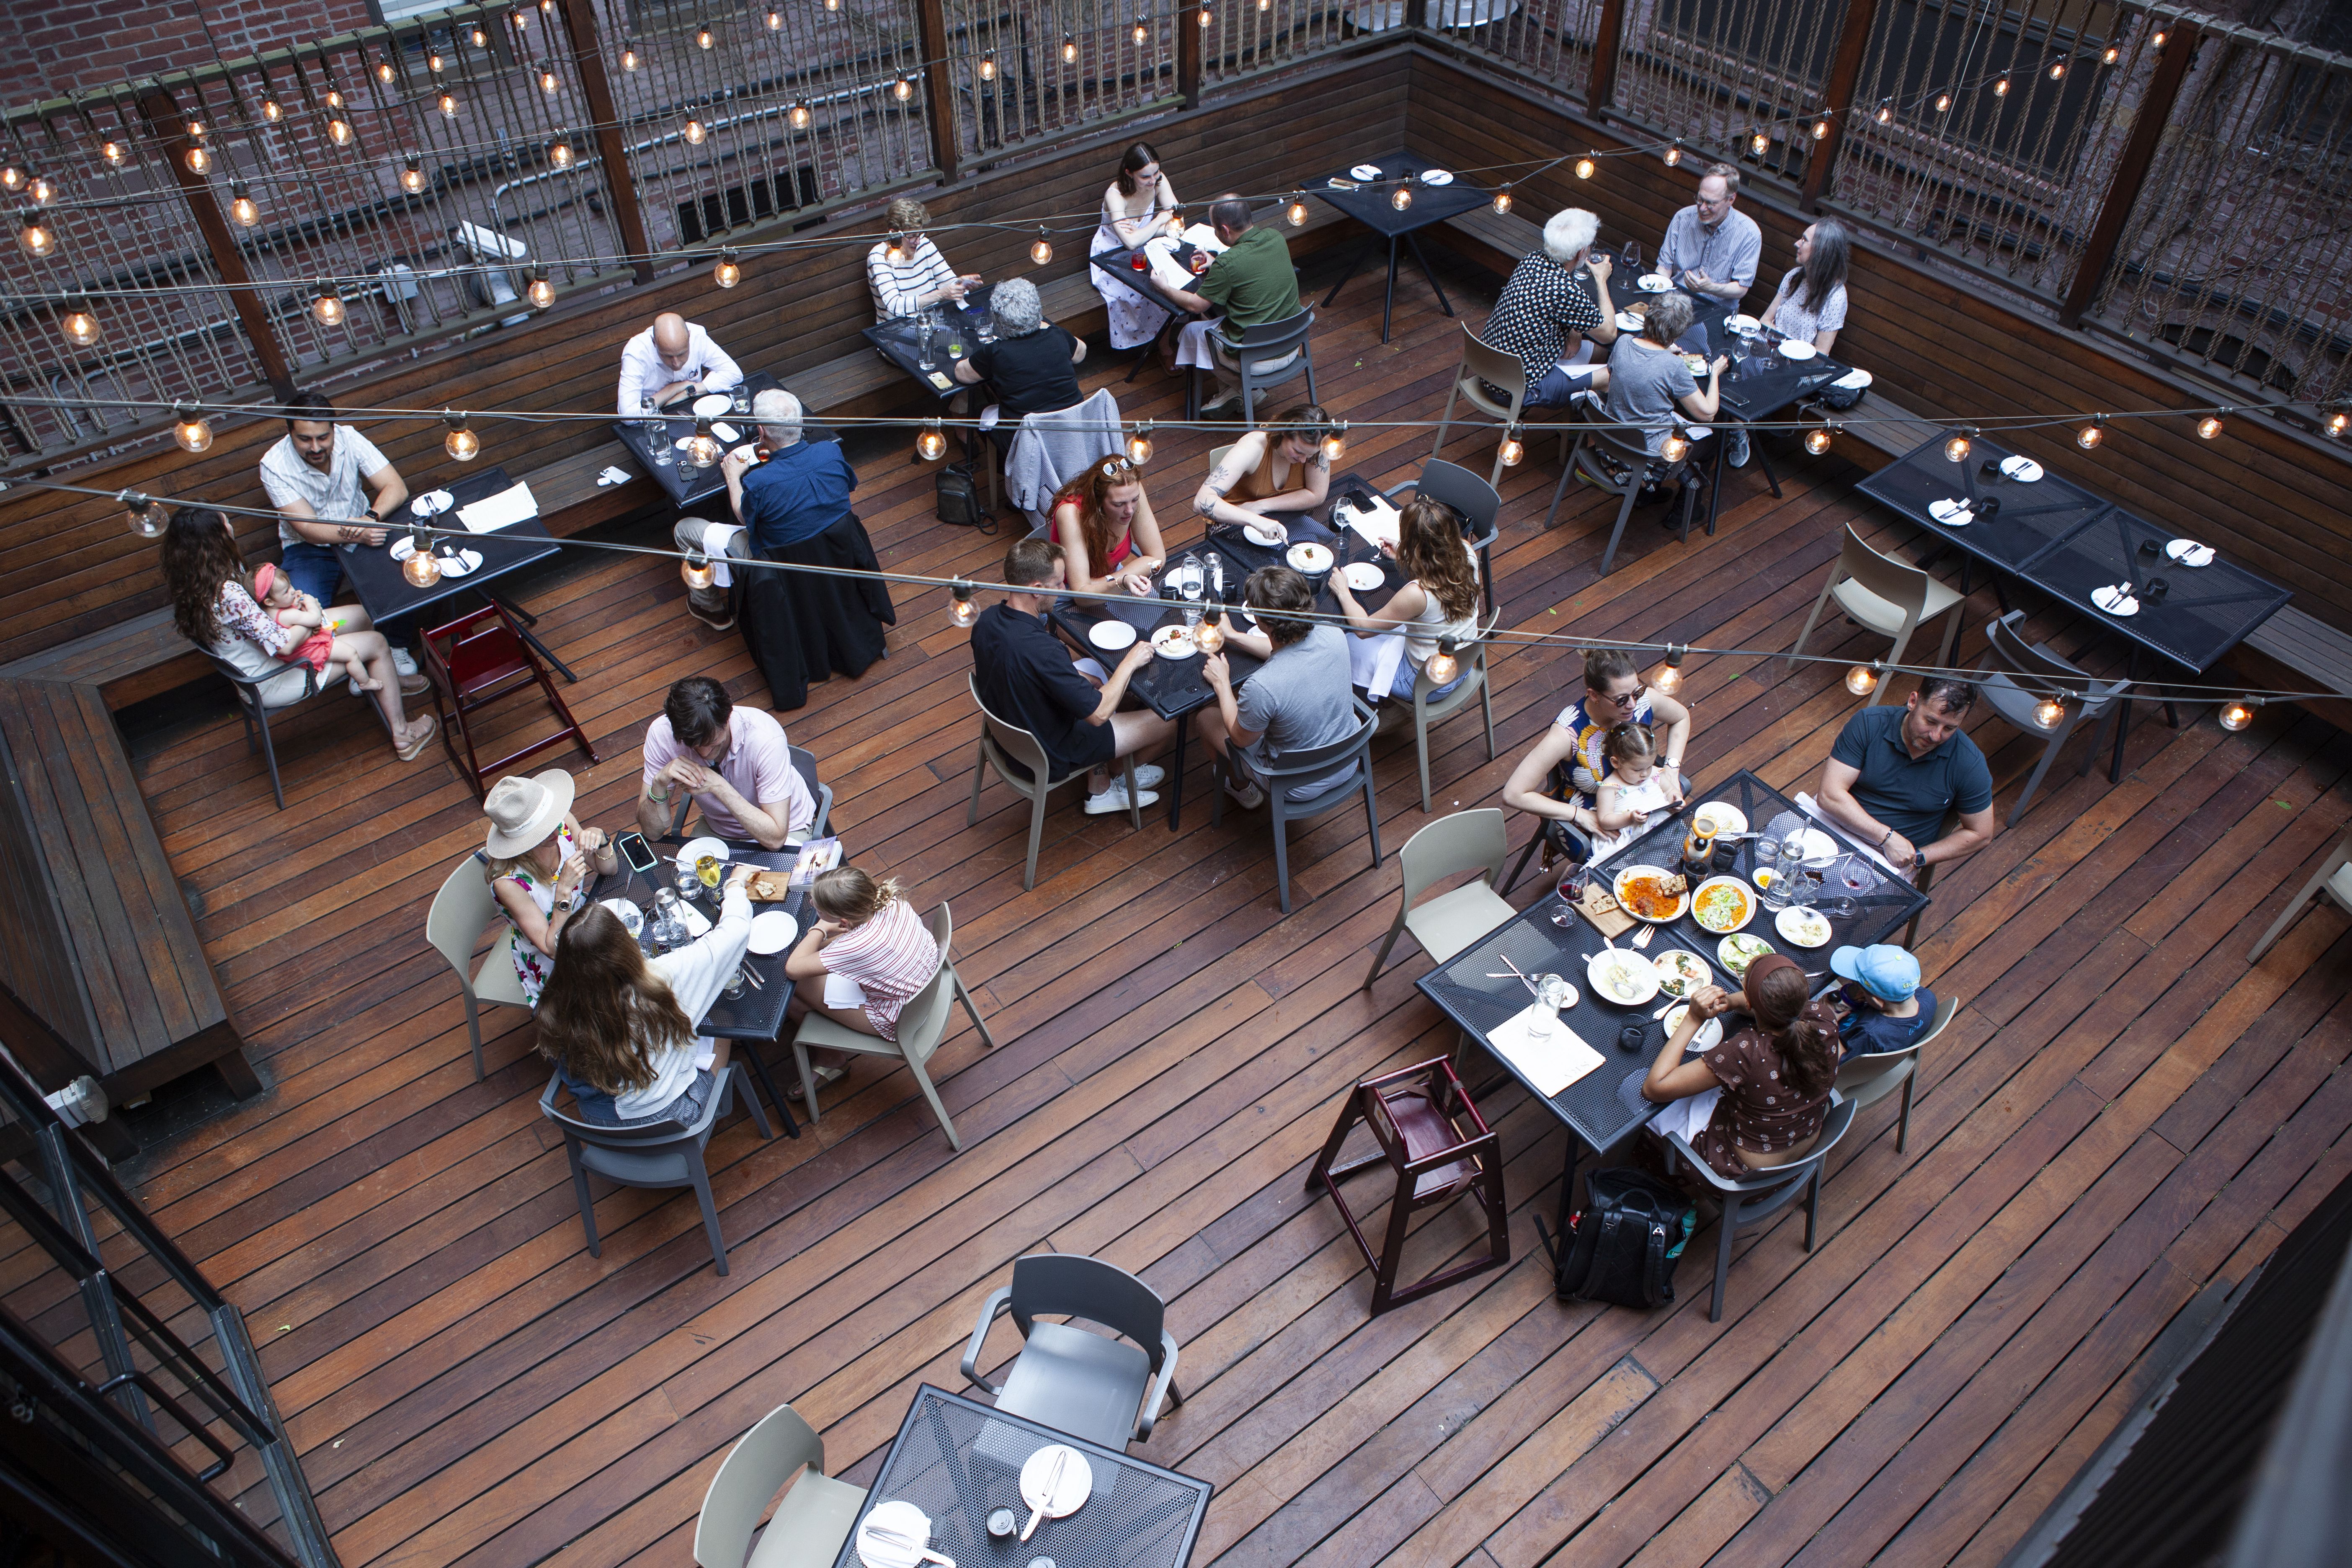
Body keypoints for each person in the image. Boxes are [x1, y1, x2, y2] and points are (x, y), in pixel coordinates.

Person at [160, 506, 436, 761]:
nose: (231, 527)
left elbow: (258, 620)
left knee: (365, 616)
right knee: (377, 643)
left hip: (272, 643)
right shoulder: (227, 591)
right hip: (277, 674)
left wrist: (294, 611)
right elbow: (286, 647)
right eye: (226, 524)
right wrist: (311, 617)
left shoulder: (196, 579)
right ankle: (403, 735)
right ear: (215, 540)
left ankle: (383, 680)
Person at [535, 864, 758, 1126]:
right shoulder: (663, 978)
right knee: (721, 1019)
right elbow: (735, 932)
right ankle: (712, 1104)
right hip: (668, 1120)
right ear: (624, 944)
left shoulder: (552, 999)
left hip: (595, 1120)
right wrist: (734, 885)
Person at [970, 538, 1170, 815]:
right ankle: (1118, 774)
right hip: (1050, 753)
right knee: (1168, 716)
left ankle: (1099, 786)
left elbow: (1029, 670)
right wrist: (1130, 661)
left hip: (1012, 733)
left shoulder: (987, 620)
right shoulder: (1043, 650)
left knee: (1095, 671)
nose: (1064, 589)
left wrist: (1080, 678)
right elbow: (1099, 714)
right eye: (1059, 583)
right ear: (1037, 590)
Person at [1640, 953, 1840, 1184]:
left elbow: (1654, 1088)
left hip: (1738, 1174)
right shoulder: (1822, 1016)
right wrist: (1733, 1002)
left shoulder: (1748, 1051)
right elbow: (1777, 1009)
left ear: (1751, 1001)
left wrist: (1693, 1018)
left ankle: (1661, 1173)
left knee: (1635, 1093)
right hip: (1799, 1150)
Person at [1197, 565, 1358, 811]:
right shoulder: (1333, 633)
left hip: (1296, 785)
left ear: (1261, 622)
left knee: (1206, 717)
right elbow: (1284, 651)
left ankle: (1242, 788)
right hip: (1346, 761)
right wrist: (1235, 636)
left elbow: (1239, 739)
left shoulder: (1262, 686)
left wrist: (1222, 685)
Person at [1503, 647, 1693, 843]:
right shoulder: (1567, 734)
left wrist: (1671, 769)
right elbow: (1514, 794)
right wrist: (1579, 815)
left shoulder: (1642, 701)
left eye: (1637, 692)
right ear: (1594, 695)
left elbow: (1681, 717)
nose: (1632, 705)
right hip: (1592, 814)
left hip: (1643, 797)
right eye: (1621, 700)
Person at [1815, 676, 1996, 878]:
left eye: (1949, 728)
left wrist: (1918, 857)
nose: (1936, 736)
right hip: (1832, 824)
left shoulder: (1969, 763)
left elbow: (1981, 834)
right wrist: (1887, 837)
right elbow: (1830, 795)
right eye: (1930, 721)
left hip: (1887, 861)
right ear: (1913, 702)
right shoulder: (1870, 723)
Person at [256, 390, 410, 610]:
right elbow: (309, 528)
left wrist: (370, 518)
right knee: (300, 613)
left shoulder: (349, 437)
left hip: (366, 526)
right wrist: (360, 532)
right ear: (289, 433)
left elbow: (396, 487)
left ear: (334, 428)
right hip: (309, 549)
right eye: (305, 439)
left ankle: (396, 644)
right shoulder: (274, 465)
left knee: (408, 578)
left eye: (323, 437)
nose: (316, 448)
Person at [480, 768, 617, 1006]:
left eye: (552, 821)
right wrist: (563, 892)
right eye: (541, 831)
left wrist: (602, 840)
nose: (556, 831)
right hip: (553, 954)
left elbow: (610, 870)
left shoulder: (559, 822)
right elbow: (551, 949)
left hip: (584, 920)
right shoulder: (508, 883)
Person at [635, 675, 818, 849]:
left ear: (728, 718)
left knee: (767, 883)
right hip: (718, 829)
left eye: (713, 744)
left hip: (786, 827)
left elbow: (776, 838)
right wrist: (659, 785)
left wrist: (719, 787)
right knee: (689, 880)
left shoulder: (765, 738)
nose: (705, 754)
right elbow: (652, 834)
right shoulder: (662, 734)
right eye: (694, 745)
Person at [1327, 494, 1480, 702]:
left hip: (1423, 683)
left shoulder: (1417, 594)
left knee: (1340, 643)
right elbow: (1439, 572)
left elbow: (1363, 629)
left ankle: (1377, 708)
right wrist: (1406, 555)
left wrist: (1343, 591)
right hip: (1463, 663)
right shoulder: (1466, 552)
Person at [1163, 196, 1302, 413]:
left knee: (1193, 331)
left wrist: (1163, 287)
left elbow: (1195, 306)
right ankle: (1234, 392)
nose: (1215, 233)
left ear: (1225, 230)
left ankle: (1245, 389)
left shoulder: (1229, 264)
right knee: (1216, 320)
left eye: (1215, 229)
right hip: (1291, 345)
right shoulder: (1275, 238)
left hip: (1256, 360)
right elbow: (1251, 264)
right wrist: (1216, 262)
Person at [1479, 207, 1619, 406]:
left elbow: (1552, 308)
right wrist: (1601, 279)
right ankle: (1581, 427)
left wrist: (1575, 331)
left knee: (1600, 352)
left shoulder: (1532, 260)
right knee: (1613, 374)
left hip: (1488, 367)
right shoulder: (1565, 290)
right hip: (1515, 389)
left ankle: (1572, 418)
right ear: (1581, 253)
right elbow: (1609, 334)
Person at [1605, 291, 1745, 471]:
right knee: (1712, 442)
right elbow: (1708, 413)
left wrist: (1663, 354)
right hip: (1649, 451)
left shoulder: (1624, 342)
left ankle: (1647, 493)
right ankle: (1678, 499)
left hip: (1614, 436)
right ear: (1679, 332)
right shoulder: (1674, 366)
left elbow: (1621, 375)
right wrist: (1715, 373)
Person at [954, 276, 1086, 459]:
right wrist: (1042, 325)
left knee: (979, 410)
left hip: (1027, 446)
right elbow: (1081, 353)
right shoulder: (1057, 336)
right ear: (1038, 311)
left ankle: (1004, 466)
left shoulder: (997, 352)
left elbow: (961, 374)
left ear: (1000, 322)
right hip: (1074, 432)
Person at [1089, 142, 1182, 353]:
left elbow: (1177, 224)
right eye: (1145, 177)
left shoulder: (1159, 180)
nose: (1153, 181)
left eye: (1156, 173)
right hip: (1111, 256)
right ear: (1129, 173)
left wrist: (1144, 232)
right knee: (1144, 290)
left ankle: (1164, 342)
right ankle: (1159, 347)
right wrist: (1159, 221)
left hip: (1146, 247)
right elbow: (1129, 243)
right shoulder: (1115, 196)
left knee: (1171, 278)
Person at [1192, 404, 1332, 539]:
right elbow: (1201, 501)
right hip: (1236, 521)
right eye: (1298, 451)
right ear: (1284, 431)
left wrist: (1262, 506)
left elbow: (1317, 495)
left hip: (1281, 518)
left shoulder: (1317, 447)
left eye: (1309, 456)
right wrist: (1254, 519)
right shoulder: (1254, 446)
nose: (1303, 461)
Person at [1052, 456, 1169, 598]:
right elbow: (1082, 594)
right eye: (1118, 504)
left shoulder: (1131, 491)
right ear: (1098, 501)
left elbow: (1157, 559)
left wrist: (1114, 581)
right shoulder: (1071, 513)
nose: (1130, 510)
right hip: (1066, 592)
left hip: (1115, 580)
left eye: (1135, 500)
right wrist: (1121, 581)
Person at [252, 560, 374, 693]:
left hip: (303, 647)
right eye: (286, 591)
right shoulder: (286, 614)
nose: (293, 591)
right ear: (269, 602)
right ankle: (364, 683)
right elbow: (315, 620)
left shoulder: (270, 612)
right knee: (351, 654)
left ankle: (359, 674)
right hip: (311, 651)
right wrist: (311, 603)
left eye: (290, 586)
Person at [1656, 163, 1761, 306]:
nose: (1703, 208)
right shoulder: (1683, 218)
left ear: (1731, 200)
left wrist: (1711, 288)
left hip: (1715, 310)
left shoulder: (1749, 234)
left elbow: (1741, 288)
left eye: (1711, 204)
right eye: (1700, 199)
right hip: (1674, 303)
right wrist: (1656, 298)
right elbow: (1664, 268)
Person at [867, 196, 980, 321]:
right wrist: (941, 295)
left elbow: (948, 284)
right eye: (912, 236)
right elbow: (895, 306)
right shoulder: (878, 257)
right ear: (894, 235)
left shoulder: (925, 245)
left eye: (920, 234)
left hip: (934, 322)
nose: (918, 241)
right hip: (898, 329)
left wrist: (960, 284)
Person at [616, 311, 743, 416]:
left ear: (689, 337)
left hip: (696, 410)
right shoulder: (636, 353)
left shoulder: (697, 337)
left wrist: (688, 391)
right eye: (668, 356)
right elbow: (628, 416)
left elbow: (734, 374)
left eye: (682, 354)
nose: (676, 364)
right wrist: (673, 389)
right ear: (654, 343)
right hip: (655, 420)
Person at [1758, 218, 1851, 353]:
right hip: (1771, 352)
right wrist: (1780, 346)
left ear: (1822, 251)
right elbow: (1765, 320)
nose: (1797, 244)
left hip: (1799, 367)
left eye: (1804, 240)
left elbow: (1821, 352)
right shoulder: (1794, 276)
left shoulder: (1836, 296)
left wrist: (1784, 348)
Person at [1830, 944, 1937, 1059]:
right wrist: (1866, 998)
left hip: (1839, 1052)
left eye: (1858, 987)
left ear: (1878, 1002)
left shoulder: (1871, 1036)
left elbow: (1843, 1062)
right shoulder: (1928, 998)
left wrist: (1828, 1021)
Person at [1588, 723, 1674, 860]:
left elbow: (1670, 790)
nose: (1645, 774)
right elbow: (1605, 820)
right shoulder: (1610, 787)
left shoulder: (1656, 774)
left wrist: (1675, 799)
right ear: (1616, 763)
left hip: (1665, 834)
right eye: (1637, 770)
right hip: (1631, 845)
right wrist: (1629, 818)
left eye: (1649, 766)